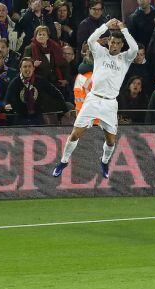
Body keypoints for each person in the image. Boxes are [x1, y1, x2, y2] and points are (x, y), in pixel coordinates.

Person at [52, 19, 139, 180]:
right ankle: (63, 162)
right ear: (108, 42)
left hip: (110, 103)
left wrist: (123, 28)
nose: (114, 45)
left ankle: (104, 161)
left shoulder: (125, 58)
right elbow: (91, 40)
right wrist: (105, 26)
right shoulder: (101, 53)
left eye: (117, 43)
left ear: (121, 45)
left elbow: (134, 48)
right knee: (75, 134)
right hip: (93, 99)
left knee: (111, 141)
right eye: (112, 42)